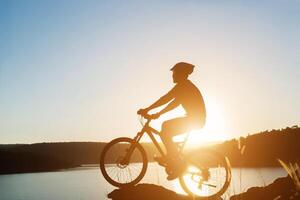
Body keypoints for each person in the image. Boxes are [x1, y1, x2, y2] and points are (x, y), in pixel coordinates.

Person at [137, 62, 206, 180]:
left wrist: (148, 110)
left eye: (174, 73)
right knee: (166, 128)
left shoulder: (184, 86)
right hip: (194, 119)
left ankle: (177, 164)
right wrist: (158, 113)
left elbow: (166, 99)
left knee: (165, 129)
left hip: (195, 120)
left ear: (181, 74)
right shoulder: (184, 86)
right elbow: (174, 102)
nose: (172, 76)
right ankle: (173, 158)